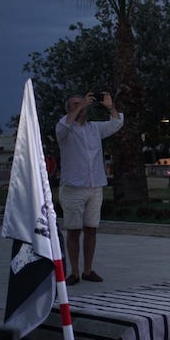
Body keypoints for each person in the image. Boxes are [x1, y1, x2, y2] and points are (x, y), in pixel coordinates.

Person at [55, 91, 124, 286]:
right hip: (73, 187)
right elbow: (64, 125)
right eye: (76, 104)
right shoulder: (64, 129)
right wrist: (80, 105)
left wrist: (110, 108)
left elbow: (116, 123)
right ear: (69, 108)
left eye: (84, 104)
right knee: (74, 230)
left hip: (95, 186)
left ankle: (87, 270)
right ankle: (74, 272)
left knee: (91, 229)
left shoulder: (95, 128)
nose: (82, 106)